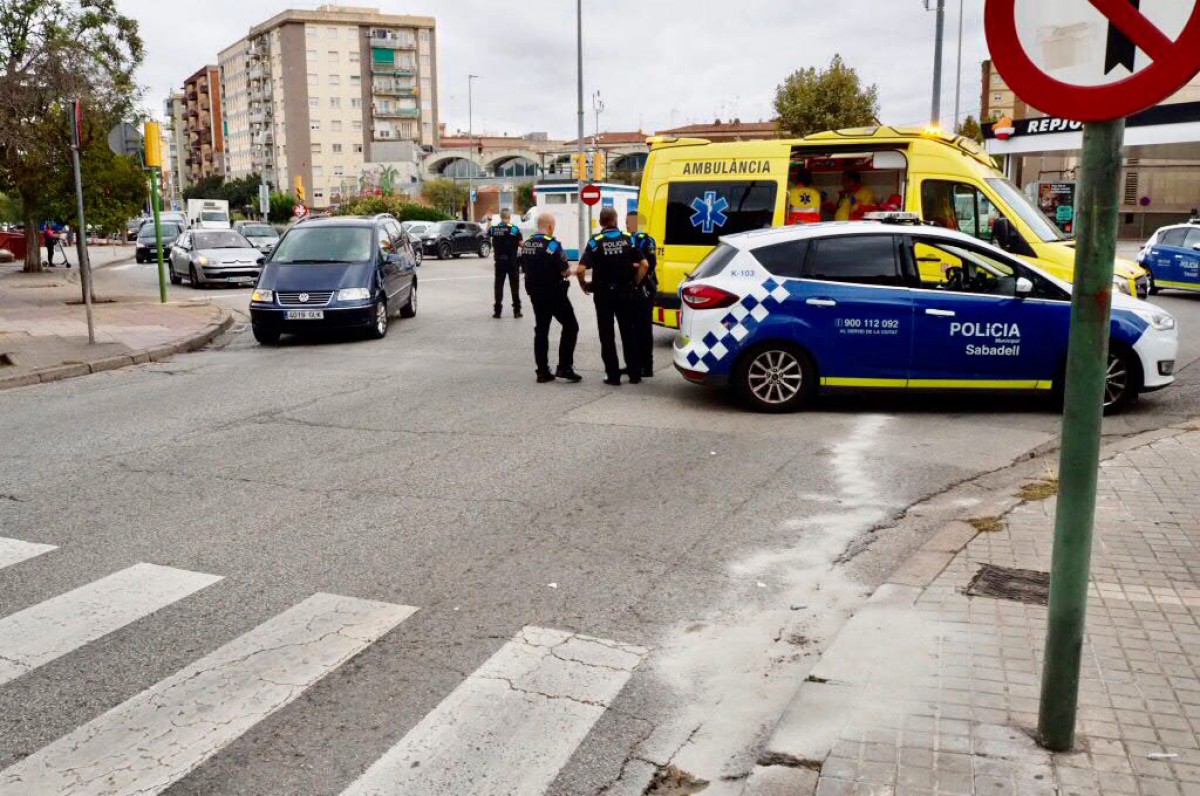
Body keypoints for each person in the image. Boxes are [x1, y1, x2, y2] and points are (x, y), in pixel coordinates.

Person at [578, 206, 649, 386]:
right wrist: (635, 282)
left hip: (603, 295)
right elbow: (645, 265)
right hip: (625, 293)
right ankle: (634, 374)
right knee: (628, 332)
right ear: (616, 220)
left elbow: (580, 269)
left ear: (601, 222)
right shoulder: (628, 239)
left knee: (607, 335)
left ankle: (613, 375)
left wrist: (583, 285)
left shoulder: (595, 242)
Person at [518, 213, 584, 383]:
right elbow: (564, 271)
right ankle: (564, 367)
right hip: (554, 293)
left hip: (535, 293)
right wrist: (575, 271)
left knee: (541, 330)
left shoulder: (527, 245)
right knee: (571, 326)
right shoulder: (553, 245)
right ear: (549, 226)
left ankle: (542, 371)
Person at [626, 210, 657, 378]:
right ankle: (634, 363)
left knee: (644, 329)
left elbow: (650, 265)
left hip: (645, 288)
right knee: (633, 329)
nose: (626, 224)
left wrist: (630, 266)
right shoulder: (629, 239)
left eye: (628, 221)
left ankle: (647, 366)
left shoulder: (645, 240)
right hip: (634, 290)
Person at [488, 208, 523, 318]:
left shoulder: (496, 229)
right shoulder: (514, 229)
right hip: (513, 262)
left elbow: (488, 231)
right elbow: (521, 244)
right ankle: (517, 311)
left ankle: (497, 311)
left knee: (498, 286)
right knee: (515, 287)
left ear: (501, 217)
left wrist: (489, 219)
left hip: (500, 262)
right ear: (509, 217)